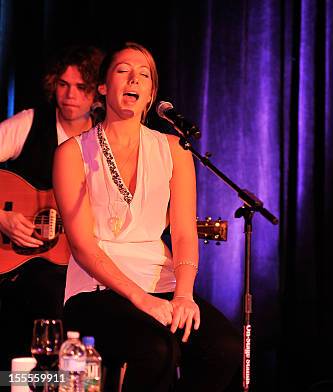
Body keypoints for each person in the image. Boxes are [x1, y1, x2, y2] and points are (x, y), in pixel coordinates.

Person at [53, 42, 241, 391]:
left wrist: (184, 295)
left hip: (163, 284)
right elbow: (82, 246)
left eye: (144, 75)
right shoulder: (73, 152)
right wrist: (141, 300)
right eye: (123, 70)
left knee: (224, 347)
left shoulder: (173, 148)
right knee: (155, 349)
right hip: (98, 288)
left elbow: (184, 232)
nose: (134, 79)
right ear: (104, 86)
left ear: (152, 93)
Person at [0, 45, 104, 369]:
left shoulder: (105, 141)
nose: (70, 95)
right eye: (63, 84)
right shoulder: (30, 123)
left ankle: (76, 384)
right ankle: (18, 383)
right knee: (45, 295)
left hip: (84, 262)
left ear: (97, 94)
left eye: (81, 87)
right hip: (22, 269)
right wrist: (1, 217)